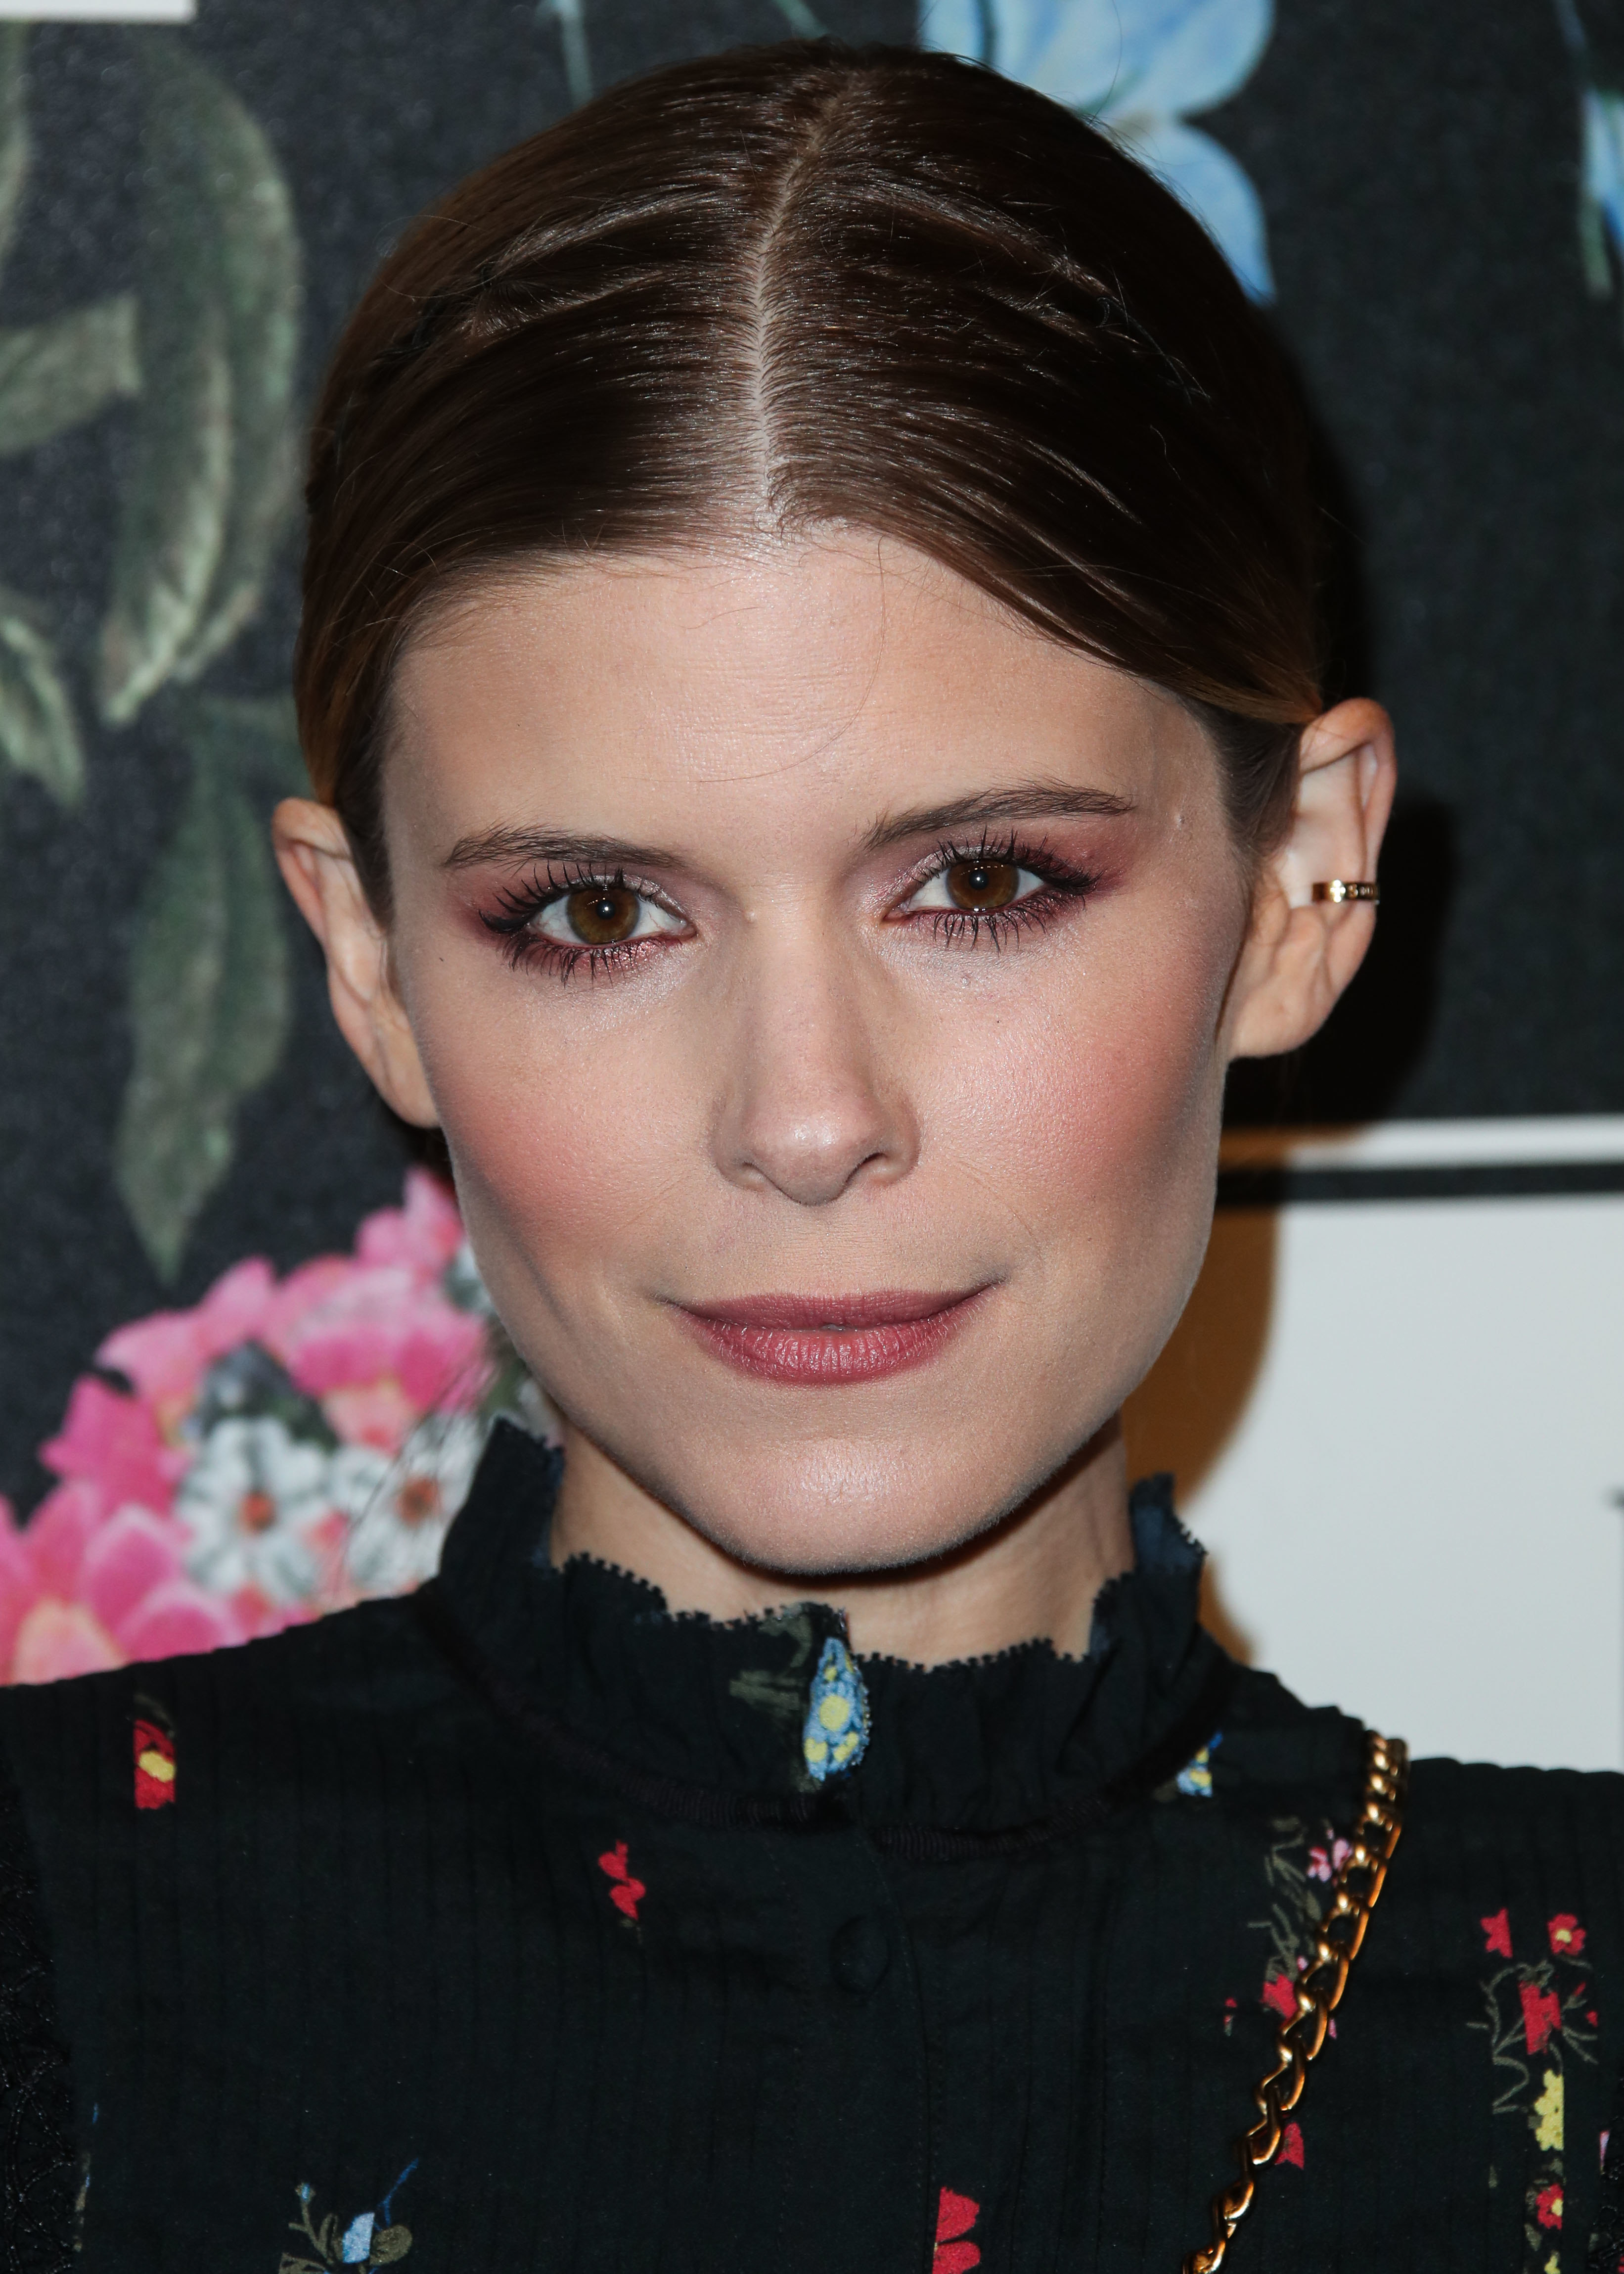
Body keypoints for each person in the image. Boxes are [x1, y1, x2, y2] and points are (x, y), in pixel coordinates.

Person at [1, 38, 1618, 2274]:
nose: (803, 1119)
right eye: (596, 915)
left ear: (1292, 889)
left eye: (983, 886)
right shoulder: (53, 1954)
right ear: (367, 962)